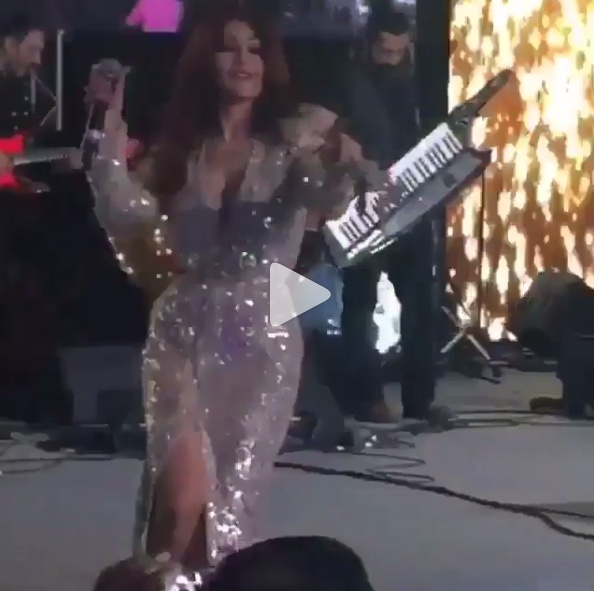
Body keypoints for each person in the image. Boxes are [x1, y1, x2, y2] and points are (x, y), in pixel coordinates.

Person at [89, 4, 366, 572]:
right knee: (177, 496)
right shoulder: (179, 151)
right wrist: (106, 141)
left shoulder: (293, 144)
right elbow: (126, 212)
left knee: (224, 515)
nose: (243, 61)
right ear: (205, 61)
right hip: (180, 333)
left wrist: (344, 170)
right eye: (229, 47)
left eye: (254, 49)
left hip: (260, 340)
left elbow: (324, 197)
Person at [335, 10, 445, 424]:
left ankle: (420, 399)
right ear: (368, 45)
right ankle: (365, 398)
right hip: (363, 206)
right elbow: (330, 138)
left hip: (412, 204)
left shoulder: (414, 83)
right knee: (360, 304)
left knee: (420, 302)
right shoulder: (348, 83)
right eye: (385, 51)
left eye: (399, 52)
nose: (392, 60)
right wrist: (362, 168)